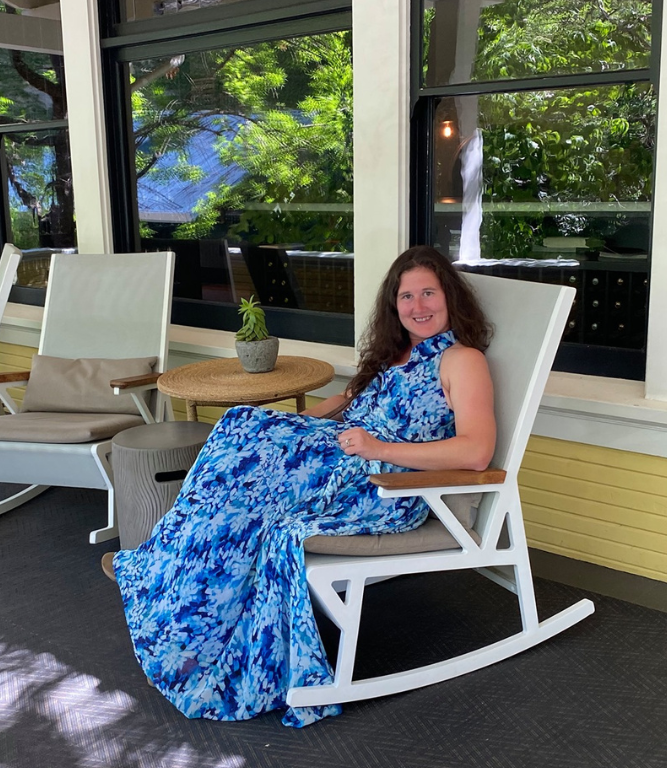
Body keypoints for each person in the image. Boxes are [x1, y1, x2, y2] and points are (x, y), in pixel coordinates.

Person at [108, 245, 496, 727]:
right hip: (342, 456)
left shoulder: (461, 360)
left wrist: (380, 449)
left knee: (242, 487)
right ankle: (178, 581)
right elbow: (343, 400)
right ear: (393, 305)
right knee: (241, 427)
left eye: (428, 293)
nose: (418, 306)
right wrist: (284, 428)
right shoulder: (397, 353)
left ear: (450, 296)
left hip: (383, 487)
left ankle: (176, 590)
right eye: (406, 296)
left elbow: (475, 451)